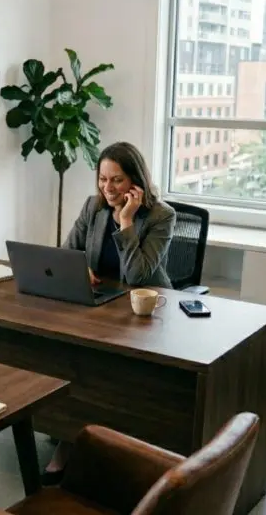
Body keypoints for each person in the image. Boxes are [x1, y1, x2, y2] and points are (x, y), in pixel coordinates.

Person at [43, 140, 175, 484]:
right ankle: (69, 432)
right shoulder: (93, 207)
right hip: (100, 305)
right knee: (62, 351)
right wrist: (78, 267)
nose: (108, 188)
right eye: (102, 179)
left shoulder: (161, 216)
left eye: (116, 180)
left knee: (97, 366)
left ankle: (85, 438)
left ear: (135, 180)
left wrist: (127, 221)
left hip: (146, 313)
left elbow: (137, 276)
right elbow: (66, 251)